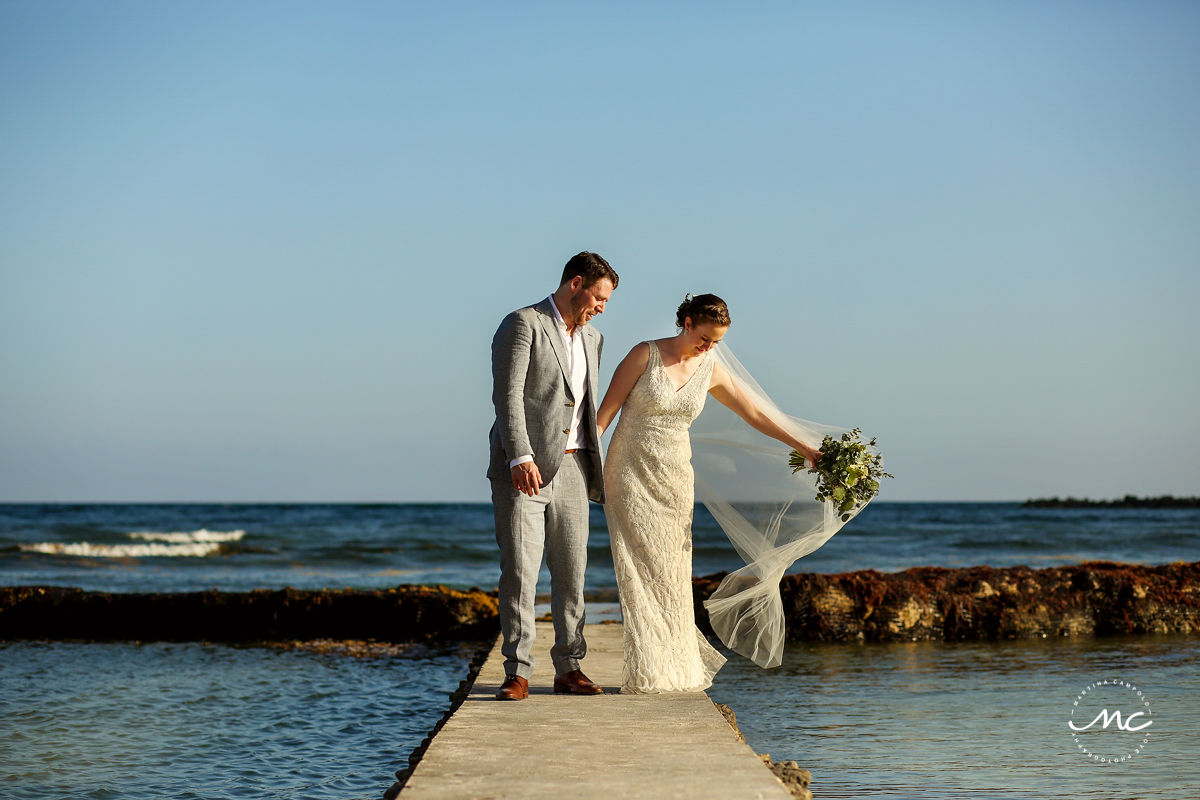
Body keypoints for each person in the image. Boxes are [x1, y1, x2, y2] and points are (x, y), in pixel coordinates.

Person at [596, 293, 822, 693]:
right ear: (686, 323)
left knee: (673, 571)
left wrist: (802, 446)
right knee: (637, 568)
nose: (709, 346)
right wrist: (581, 465)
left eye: (717, 341)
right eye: (705, 338)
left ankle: (674, 670)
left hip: (676, 478)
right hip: (629, 471)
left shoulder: (710, 368)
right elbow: (604, 415)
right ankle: (647, 669)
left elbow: (754, 414)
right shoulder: (643, 355)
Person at [488, 251, 618, 700]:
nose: (602, 307)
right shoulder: (523, 323)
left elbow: (584, 409)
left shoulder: (595, 338)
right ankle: (518, 671)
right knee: (521, 572)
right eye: (599, 297)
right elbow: (507, 397)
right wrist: (518, 456)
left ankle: (569, 667)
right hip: (525, 471)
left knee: (571, 573)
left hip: (576, 469)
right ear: (576, 283)